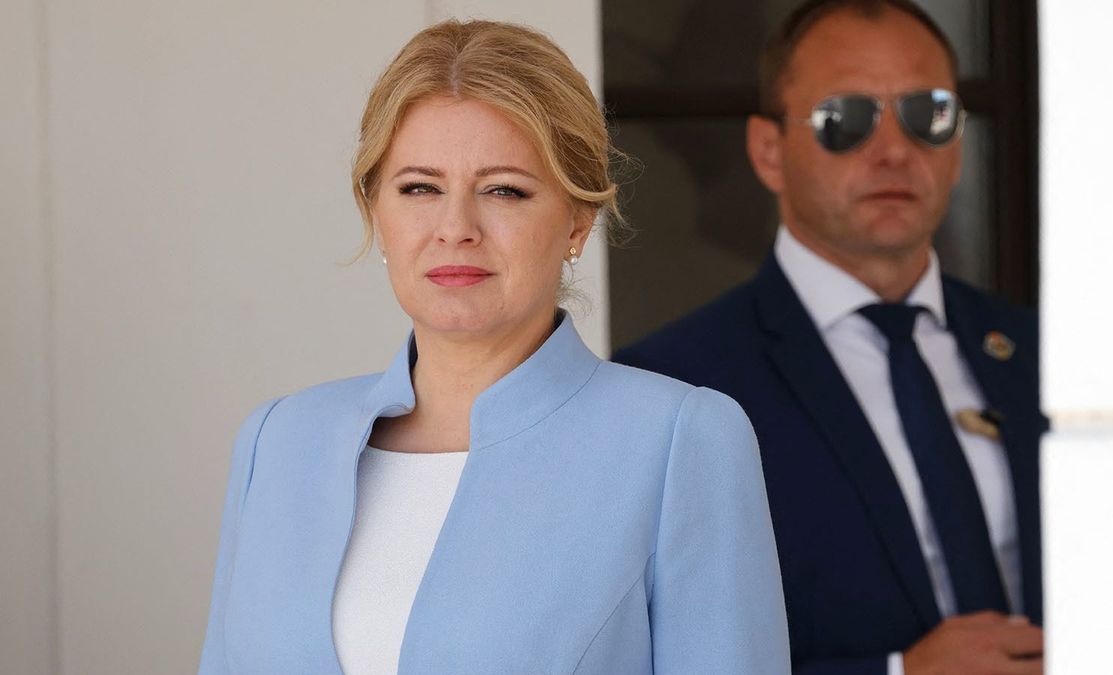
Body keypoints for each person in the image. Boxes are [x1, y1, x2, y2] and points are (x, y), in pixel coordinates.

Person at [198, 19, 789, 675]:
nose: (455, 228)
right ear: (376, 210)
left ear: (577, 218)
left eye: (504, 188)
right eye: (419, 187)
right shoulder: (278, 442)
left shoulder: (680, 439)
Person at [614, 1, 1048, 674]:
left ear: (958, 142)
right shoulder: (671, 388)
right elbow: (650, 657)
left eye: (926, 114)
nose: (894, 149)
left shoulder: (1043, 354)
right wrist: (897, 672)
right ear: (767, 151)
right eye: (844, 120)